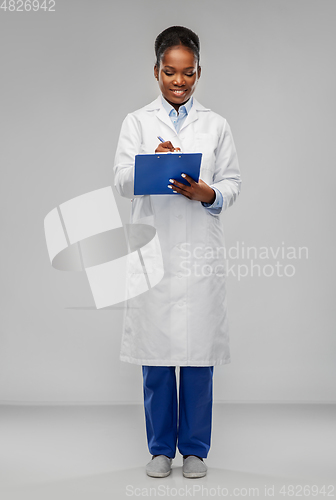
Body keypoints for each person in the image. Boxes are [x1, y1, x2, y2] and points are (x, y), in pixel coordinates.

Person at [113, 26, 241, 479]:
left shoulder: (217, 125)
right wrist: (153, 160)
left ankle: (195, 450)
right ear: (156, 71)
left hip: (198, 256)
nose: (179, 82)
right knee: (158, 358)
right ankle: (160, 449)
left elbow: (232, 183)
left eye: (188, 73)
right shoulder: (137, 123)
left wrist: (208, 193)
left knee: (199, 358)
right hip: (156, 252)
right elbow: (121, 182)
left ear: (199, 72)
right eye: (170, 72)